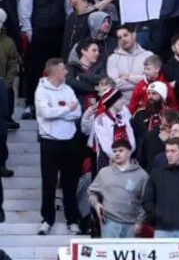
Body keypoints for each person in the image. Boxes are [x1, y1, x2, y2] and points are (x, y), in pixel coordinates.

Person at [35, 57, 82, 235]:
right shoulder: (41, 91)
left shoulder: (68, 89)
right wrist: (67, 109)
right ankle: (47, 220)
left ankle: (72, 220)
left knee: (70, 183)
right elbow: (46, 113)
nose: (66, 72)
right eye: (63, 69)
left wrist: (61, 112)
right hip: (50, 141)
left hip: (69, 140)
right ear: (54, 71)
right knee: (49, 182)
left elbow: (77, 112)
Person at [87, 137, 148, 238]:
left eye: (121, 150)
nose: (117, 153)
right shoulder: (104, 172)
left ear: (129, 153)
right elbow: (91, 192)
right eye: (114, 151)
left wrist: (140, 221)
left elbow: (146, 201)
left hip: (132, 224)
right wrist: (96, 204)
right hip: (109, 223)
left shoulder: (142, 175)